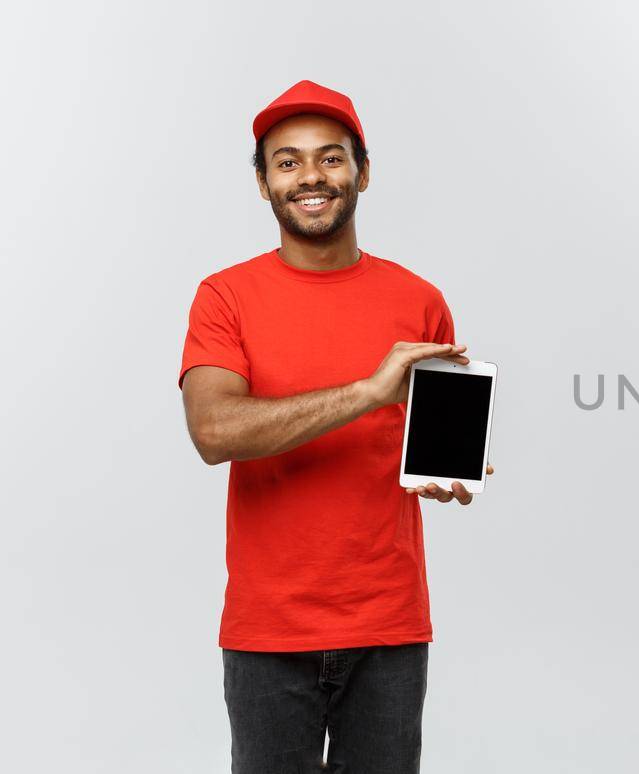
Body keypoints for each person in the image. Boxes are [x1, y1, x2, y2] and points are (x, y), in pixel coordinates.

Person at [177, 80, 490, 773]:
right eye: (286, 162)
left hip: (388, 624)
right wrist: (366, 392)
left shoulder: (419, 301)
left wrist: (443, 470)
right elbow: (213, 431)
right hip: (269, 631)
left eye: (331, 158)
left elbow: (424, 437)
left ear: (363, 171)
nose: (311, 176)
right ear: (262, 183)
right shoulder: (225, 297)